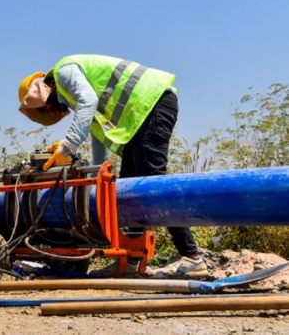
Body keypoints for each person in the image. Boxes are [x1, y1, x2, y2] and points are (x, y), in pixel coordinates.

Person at [17, 54, 208, 278]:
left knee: (153, 183)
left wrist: (67, 148)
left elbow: (88, 102)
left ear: (43, 93)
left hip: (152, 103)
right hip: (141, 114)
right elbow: (99, 135)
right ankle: (130, 262)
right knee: (128, 190)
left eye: (48, 109)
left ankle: (193, 257)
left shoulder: (64, 71)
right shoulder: (75, 92)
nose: (53, 112)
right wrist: (98, 177)